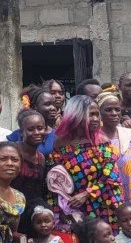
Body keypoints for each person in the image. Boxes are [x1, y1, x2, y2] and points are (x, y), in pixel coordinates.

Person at [48, 95, 125, 226]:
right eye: (91, 115)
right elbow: (54, 179)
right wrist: (60, 209)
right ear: (76, 116)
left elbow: (111, 176)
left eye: (97, 114)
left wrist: (87, 194)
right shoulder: (60, 144)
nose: (96, 119)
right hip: (74, 207)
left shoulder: (102, 142)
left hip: (104, 203)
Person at [96, 91, 131, 210]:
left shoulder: (128, 135)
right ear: (99, 113)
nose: (114, 113)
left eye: (117, 110)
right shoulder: (94, 139)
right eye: (108, 110)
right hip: (106, 197)